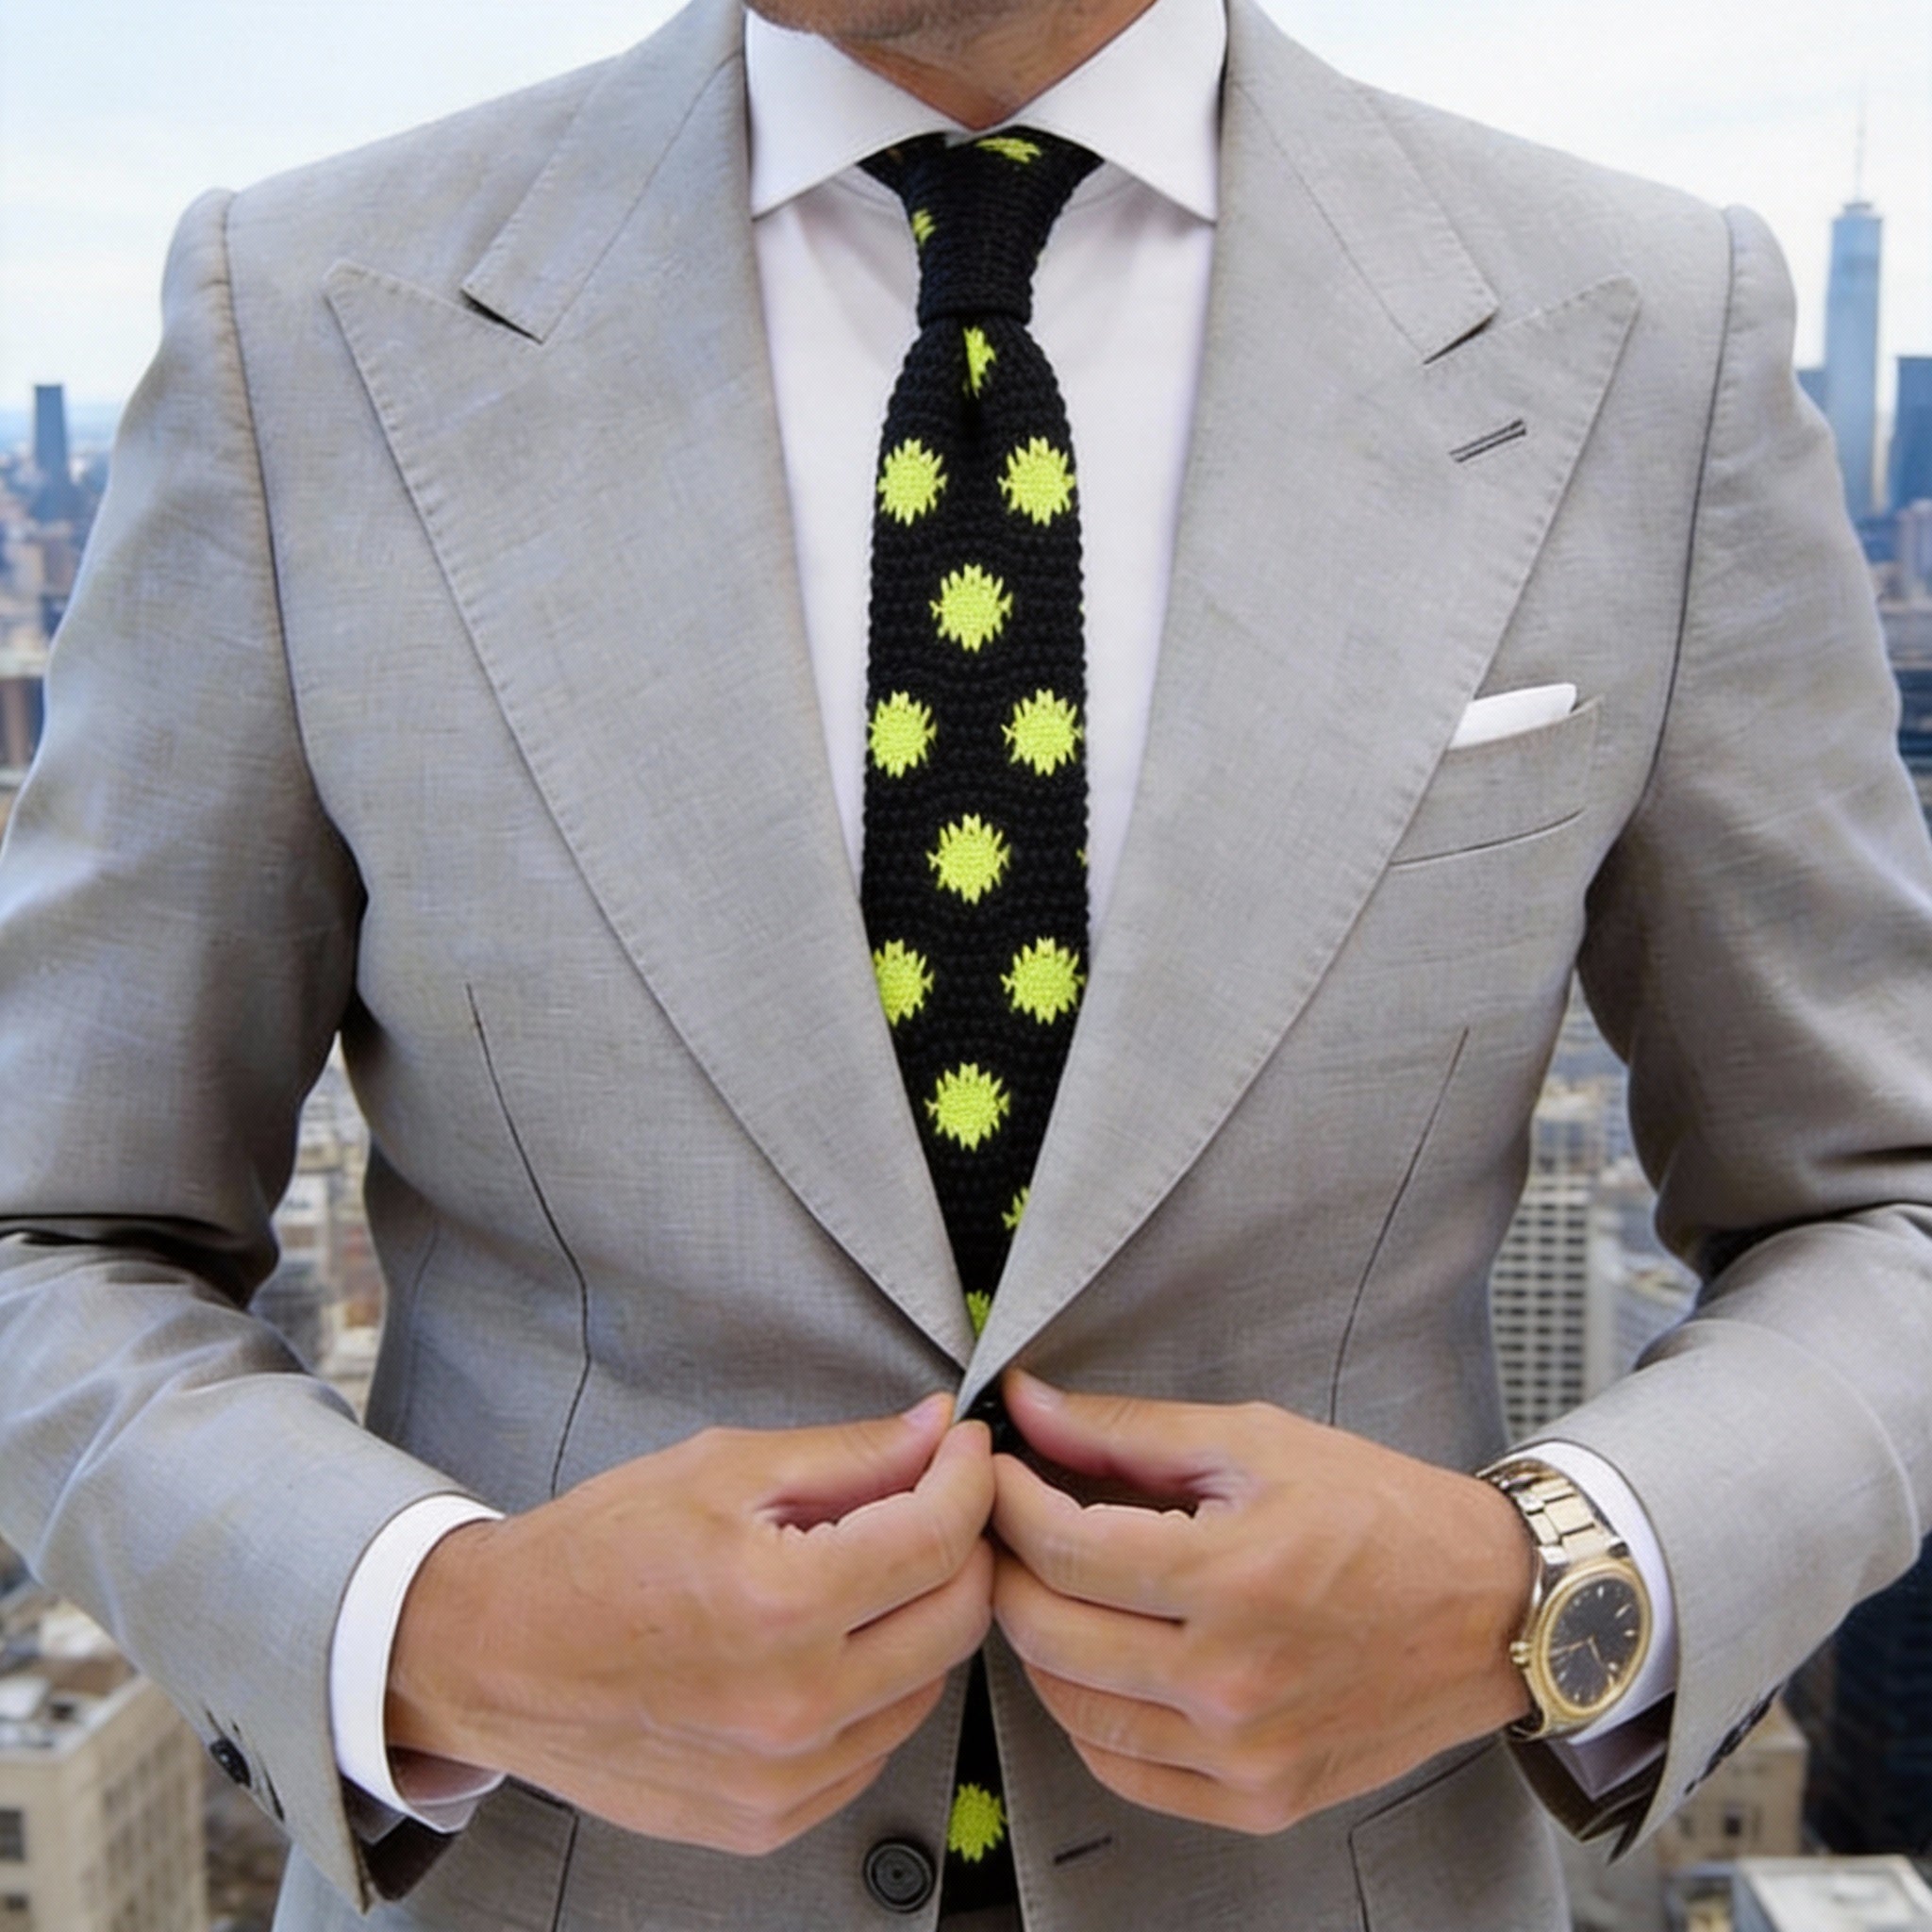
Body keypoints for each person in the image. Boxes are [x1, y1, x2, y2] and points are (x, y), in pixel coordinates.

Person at [2, 0, 1929, 1925]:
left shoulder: (1647, 334)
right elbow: (57, 1234)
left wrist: (1540, 1590)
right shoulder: (305, 321)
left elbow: (1879, 1205)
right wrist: (446, 1628)